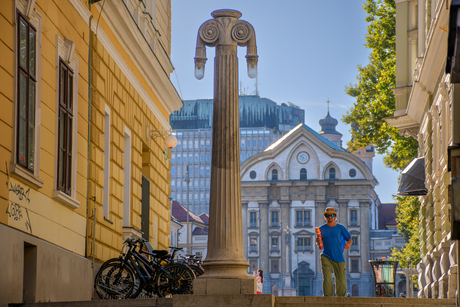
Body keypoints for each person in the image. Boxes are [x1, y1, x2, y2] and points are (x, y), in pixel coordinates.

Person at [316, 207, 352, 297]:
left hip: (338, 256)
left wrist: (348, 244)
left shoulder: (340, 228)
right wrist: (318, 241)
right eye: (327, 216)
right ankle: (328, 296)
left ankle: (340, 297)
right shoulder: (321, 229)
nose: (330, 217)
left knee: (341, 279)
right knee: (327, 277)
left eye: (332, 215)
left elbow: (349, 239)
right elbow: (320, 245)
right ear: (325, 217)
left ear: (335, 217)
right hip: (326, 255)